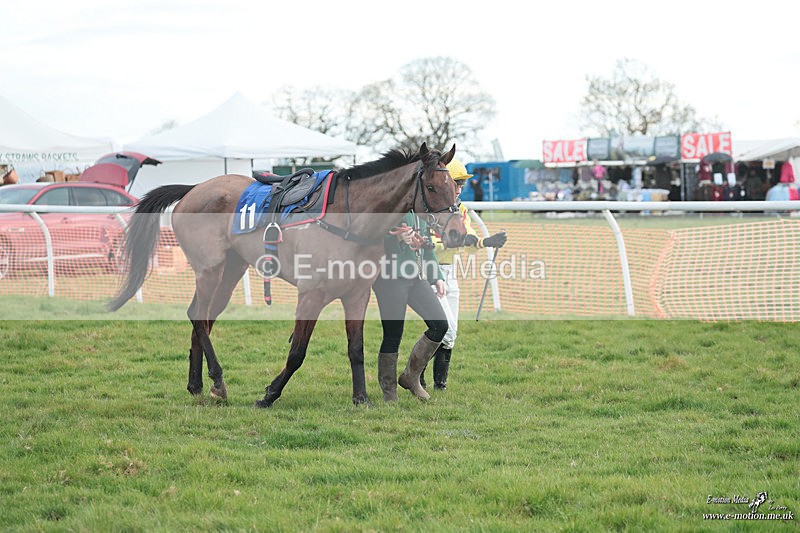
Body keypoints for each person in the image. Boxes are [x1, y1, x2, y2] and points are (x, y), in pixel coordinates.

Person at [421, 159, 508, 390]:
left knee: (451, 334)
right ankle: (414, 371)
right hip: (430, 274)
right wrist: (449, 244)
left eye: (461, 184)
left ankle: (439, 385)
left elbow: (468, 239)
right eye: (456, 183)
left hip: (451, 274)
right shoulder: (428, 209)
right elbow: (428, 244)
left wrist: (487, 241)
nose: (459, 189)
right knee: (446, 329)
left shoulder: (460, 210)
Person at [373, 211, 448, 402]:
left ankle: (411, 377)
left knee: (440, 325)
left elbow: (426, 245)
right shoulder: (390, 204)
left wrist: (437, 276)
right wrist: (397, 239)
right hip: (389, 278)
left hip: (417, 277)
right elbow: (370, 239)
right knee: (393, 334)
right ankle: (389, 393)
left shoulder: (420, 210)